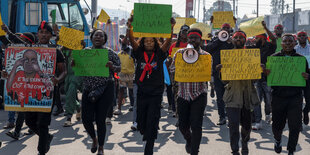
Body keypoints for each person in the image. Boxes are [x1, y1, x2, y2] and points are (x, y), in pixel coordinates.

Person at [127, 16, 175, 155]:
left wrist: (171, 28)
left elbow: (168, 42)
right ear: (142, 42)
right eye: (146, 41)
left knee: (153, 119)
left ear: (155, 42)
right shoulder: (139, 53)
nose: (149, 43)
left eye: (151, 41)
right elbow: (131, 41)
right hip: (142, 91)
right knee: (141, 122)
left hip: (156, 92)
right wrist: (129, 26)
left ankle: (150, 146)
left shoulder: (160, 54)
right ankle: (144, 131)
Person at [20, 21, 66, 155]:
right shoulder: (29, 50)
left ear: (51, 35)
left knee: (43, 123)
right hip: (31, 91)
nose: (43, 35)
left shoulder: (55, 51)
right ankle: (47, 137)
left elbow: (64, 71)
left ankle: (41, 151)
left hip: (48, 92)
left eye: (46, 32)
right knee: (29, 121)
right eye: (41, 32)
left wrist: (57, 79)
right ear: (38, 34)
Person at [264, 34, 309, 155]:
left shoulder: (301, 60)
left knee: (295, 126)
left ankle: (291, 149)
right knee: (277, 125)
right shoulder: (273, 58)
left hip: (295, 98)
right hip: (278, 97)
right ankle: (278, 140)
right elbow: (266, 78)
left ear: (295, 43)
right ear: (281, 44)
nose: (288, 43)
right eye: (285, 41)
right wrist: (265, 73)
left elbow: (307, 80)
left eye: (290, 41)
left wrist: (307, 77)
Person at [217, 31, 260, 155]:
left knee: (247, 126)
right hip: (232, 97)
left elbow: (255, 80)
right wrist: (221, 71)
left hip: (247, 96)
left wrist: (259, 70)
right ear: (232, 40)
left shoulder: (251, 55)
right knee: (234, 126)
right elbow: (225, 80)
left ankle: (245, 142)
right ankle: (235, 149)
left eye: (241, 37)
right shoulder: (228, 56)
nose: (239, 39)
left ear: (245, 40)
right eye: (236, 38)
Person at [78, 29, 120, 155]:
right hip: (88, 89)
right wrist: (74, 64)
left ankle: (101, 147)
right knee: (86, 119)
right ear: (91, 38)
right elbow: (77, 67)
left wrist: (112, 67)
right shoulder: (84, 53)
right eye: (96, 35)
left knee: (101, 119)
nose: (98, 37)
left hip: (105, 89)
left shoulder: (110, 53)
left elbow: (119, 67)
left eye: (101, 36)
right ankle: (94, 139)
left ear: (104, 39)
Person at [170, 28, 210, 155]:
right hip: (183, 94)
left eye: (195, 38)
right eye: (191, 37)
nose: (193, 40)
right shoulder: (179, 54)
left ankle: (195, 151)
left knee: (196, 125)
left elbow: (208, 74)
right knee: (182, 126)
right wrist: (169, 64)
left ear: (200, 40)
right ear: (187, 39)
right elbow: (172, 71)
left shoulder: (206, 56)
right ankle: (189, 139)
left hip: (199, 94)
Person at [205, 23, 234, 125]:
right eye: (224, 29)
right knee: (220, 96)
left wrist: (232, 42)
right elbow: (207, 49)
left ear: (230, 31)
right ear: (220, 30)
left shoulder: (232, 42)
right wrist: (218, 39)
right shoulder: (215, 41)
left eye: (227, 28)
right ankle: (222, 117)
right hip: (217, 73)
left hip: (230, 73)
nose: (226, 30)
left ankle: (230, 116)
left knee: (230, 97)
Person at [250, 21, 277, 130]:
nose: (255, 40)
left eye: (256, 38)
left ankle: (268, 113)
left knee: (268, 100)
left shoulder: (270, 47)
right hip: (257, 79)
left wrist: (265, 28)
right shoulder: (253, 49)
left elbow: (274, 39)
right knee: (256, 101)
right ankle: (258, 121)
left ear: (262, 38)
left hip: (268, 78)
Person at [114, 36, 135, 115]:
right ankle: (119, 108)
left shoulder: (132, 53)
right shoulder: (119, 54)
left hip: (131, 74)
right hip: (122, 74)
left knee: (131, 91)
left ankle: (132, 105)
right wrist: (116, 75)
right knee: (121, 90)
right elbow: (117, 65)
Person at [294, 31, 310, 125]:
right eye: (300, 36)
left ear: (306, 36)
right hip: (297, 76)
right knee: (297, 100)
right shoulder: (294, 49)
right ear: (297, 38)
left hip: (309, 76)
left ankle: (306, 111)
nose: (302, 37)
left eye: (303, 35)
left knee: (309, 99)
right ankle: (298, 120)